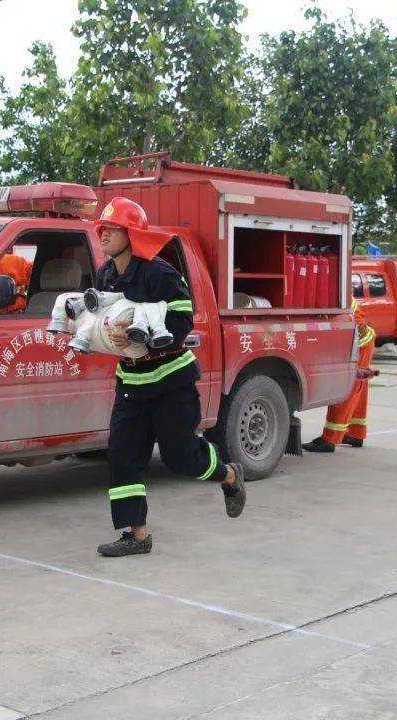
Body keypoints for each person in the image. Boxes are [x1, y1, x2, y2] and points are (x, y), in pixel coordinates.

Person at [92, 196, 246, 557]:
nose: (103, 234)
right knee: (122, 454)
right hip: (131, 383)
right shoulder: (105, 275)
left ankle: (229, 476)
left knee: (180, 458)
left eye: (112, 229)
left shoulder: (159, 273)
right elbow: (100, 317)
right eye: (102, 228)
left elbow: (181, 320)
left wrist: (138, 337)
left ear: (132, 234)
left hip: (170, 383)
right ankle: (137, 535)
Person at [302, 298, 377, 452]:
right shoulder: (341, 290)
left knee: (346, 389)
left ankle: (329, 439)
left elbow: (356, 324)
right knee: (358, 390)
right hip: (361, 339)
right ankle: (355, 434)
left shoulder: (336, 291)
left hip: (358, 341)